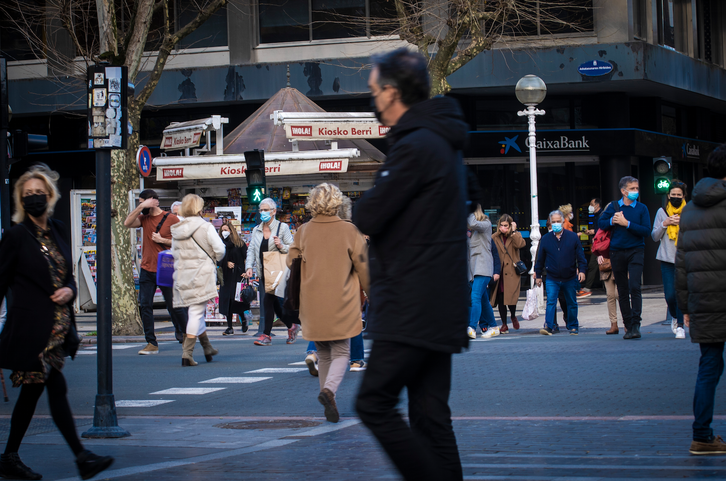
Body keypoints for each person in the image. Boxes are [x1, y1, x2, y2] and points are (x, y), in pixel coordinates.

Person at [354, 47, 469, 481]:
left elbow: (368, 215)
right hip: (439, 304)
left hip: (410, 304)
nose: (372, 101)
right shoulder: (444, 143)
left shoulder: (415, 145)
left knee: (373, 403)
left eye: (373, 91)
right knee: (430, 415)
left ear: (391, 92)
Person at [0, 164, 114, 480]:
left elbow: (68, 278)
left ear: (49, 196)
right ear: (21, 201)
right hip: (30, 330)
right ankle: (81, 458)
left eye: (39, 193)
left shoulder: (59, 229)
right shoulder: (15, 236)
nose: (34, 198)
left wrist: (71, 289)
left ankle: (9, 457)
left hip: (58, 327)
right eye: (28, 195)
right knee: (54, 388)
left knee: (35, 392)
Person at [288, 184, 369, 422]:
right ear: (337, 203)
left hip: (311, 301)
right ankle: (329, 391)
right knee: (342, 350)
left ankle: (328, 400)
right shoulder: (349, 230)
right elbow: (364, 267)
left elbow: (290, 262)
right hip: (342, 299)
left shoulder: (303, 231)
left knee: (323, 352)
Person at [675, 144, 726, 455]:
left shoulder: (690, 208)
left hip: (703, 299)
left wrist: (685, 308)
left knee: (709, 365)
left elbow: (682, 262)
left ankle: (702, 436)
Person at [303, 196, 368, 374]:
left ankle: (313, 353)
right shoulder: (350, 230)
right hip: (346, 285)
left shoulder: (313, 230)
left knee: (319, 321)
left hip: (318, 284)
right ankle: (355, 361)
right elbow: (361, 262)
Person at [124, 189, 188, 353]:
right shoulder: (143, 219)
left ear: (153, 200)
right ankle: (151, 342)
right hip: (146, 268)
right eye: (139, 202)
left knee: (173, 306)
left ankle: (186, 333)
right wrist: (140, 208)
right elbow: (127, 223)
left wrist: (163, 240)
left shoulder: (172, 218)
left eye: (142, 201)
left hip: (165, 268)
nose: (140, 204)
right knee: (145, 305)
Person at [170, 194, 226, 366]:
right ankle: (187, 353)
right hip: (202, 273)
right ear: (199, 209)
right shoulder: (205, 227)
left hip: (182, 274)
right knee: (196, 312)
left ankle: (207, 347)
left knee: (196, 311)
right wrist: (213, 258)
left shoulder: (177, 228)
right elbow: (220, 249)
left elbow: (174, 252)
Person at [598, 176, 651, 339]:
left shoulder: (642, 208)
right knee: (622, 289)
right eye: (632, 188)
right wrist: (613, 221)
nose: (636, 191)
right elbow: (601, 223)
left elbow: (646, 231)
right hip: (616, 251)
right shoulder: (614, 207)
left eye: (637, 188)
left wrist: (626, 223)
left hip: (636, 250)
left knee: (634, 286)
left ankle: (636, 324)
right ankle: (627, 324)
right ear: (623, 191)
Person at [245, 198, 297, 346]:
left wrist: (281, 246)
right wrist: (249, 267)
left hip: (277, 272)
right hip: (263, 272)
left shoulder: (282, 228)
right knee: (275, 305)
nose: (263, 212)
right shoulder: (256, 230)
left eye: (266, 210)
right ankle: (292, 326)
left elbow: (292, 248)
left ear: (274, 211)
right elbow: (251, 250)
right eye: (261, 210)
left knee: (267, 300)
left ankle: (266, 335)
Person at [534, 210, 588, 335]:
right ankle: (549, 326)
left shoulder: (572, 237)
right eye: (554, 222)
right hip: (552, 277)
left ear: (563, 222)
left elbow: (580, 256)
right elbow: (540, 258)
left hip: (569, 277)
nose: (556, 224)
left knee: (571, 302)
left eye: (558, 221)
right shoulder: (546, 239)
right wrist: (538, 275)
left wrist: (582, 270)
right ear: (550, 223)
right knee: (551, 301)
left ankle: (573, 326)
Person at [652, 180, 687, 340]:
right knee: (670, 295)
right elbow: (654, 236)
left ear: (684, 196)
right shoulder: (661, 212)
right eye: (673, 195)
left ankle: (680, 326)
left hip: (684, 259)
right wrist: (665, 224)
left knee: (681, 294)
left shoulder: (689, 212)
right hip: (666, 260)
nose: (676, 197)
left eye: (679, 195)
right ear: (668, 195)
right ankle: (674, 316)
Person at [467, 205, 501, 339]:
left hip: (483, 268)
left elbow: (472, 223)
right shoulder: (473, 232)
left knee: (475, 297)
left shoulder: (486, 224)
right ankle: (493, 327)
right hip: (474, 271)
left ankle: (472, 327)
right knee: (483, 300)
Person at [490, 214, 526, 333]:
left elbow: (521, 245)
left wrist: (514, 231)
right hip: (499, 272)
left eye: (506, 225)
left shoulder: (515, 235)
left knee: (511, 298)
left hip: (511, 272)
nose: (503, 228)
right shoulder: (494, 237)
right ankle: (504, 324)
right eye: (502, 225)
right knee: (501, 298)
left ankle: (513, 315)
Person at [217, 224, 249, 336]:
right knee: (227, 301)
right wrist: (225, 263)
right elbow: (216, 258)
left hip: (238, 275)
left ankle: (243, 319)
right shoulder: (219, 244)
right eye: (222, 230)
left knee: (236, 300)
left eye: (226, 230)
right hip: (226, 276)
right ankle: (229, 326)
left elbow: (247, 256)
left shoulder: (239, 243)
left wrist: (246, 271)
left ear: (231, 230)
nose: (224, 232)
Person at [578, 198, 603, 298]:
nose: (590, 206)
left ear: (597, 205)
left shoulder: (601, 215)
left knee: (594, 265)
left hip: (601, 245)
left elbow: (601, 230)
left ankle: (588, 287)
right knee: (595, 265)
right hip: (597, 244)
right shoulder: (596, 216)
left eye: (592, 204)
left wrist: (592, 232)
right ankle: (588, 287)